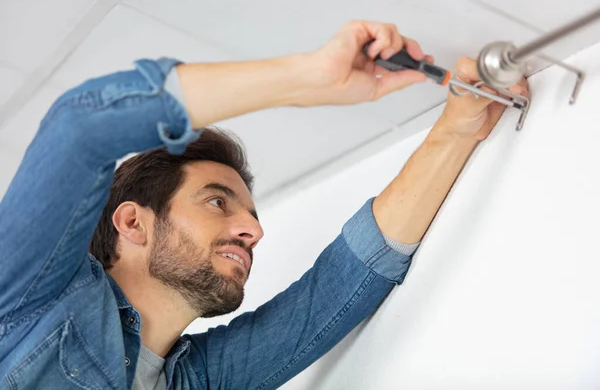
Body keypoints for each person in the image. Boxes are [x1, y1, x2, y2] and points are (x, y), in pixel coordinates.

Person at [0, 20, 527, 390]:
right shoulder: (34, 298)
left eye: (251, 216)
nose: (252, 231)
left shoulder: (198, 379)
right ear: (133, 221)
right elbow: (78, 130)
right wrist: (307, 80)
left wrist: (457, 129)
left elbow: (337, 289)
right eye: (216, 201)